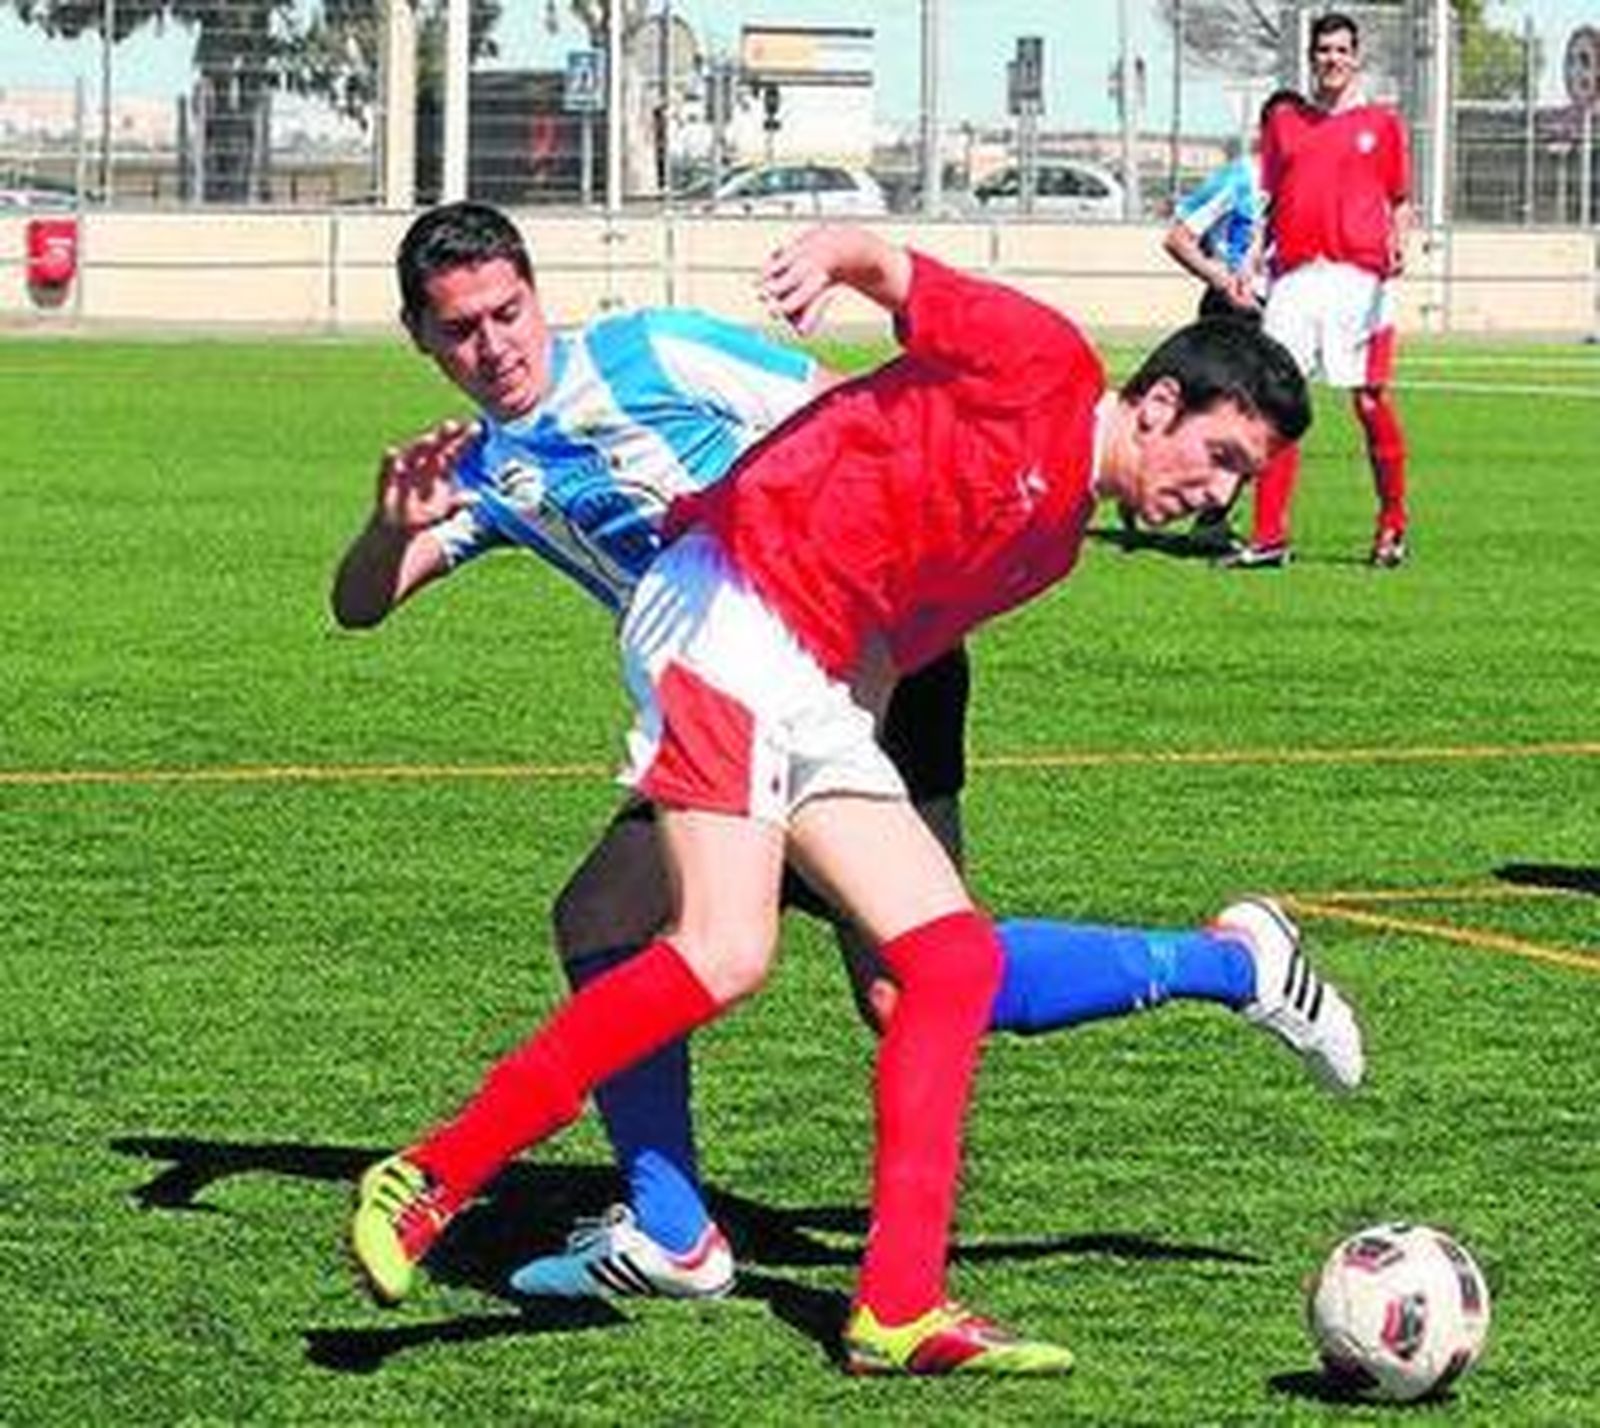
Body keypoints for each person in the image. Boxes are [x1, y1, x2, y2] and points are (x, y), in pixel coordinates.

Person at [338, 210, 1341, 1375]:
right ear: (1159, 404)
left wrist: (831, 770)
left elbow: (891, 633)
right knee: (723, 951)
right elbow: (896, 275)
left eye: (1240, 480)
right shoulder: (1048, 363)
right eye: (1220, 458)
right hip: (727, 606)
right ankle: (433, 1175)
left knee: (947, 965)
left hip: (815, 671)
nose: (1216, 496)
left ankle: (896, 1308)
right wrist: (832, 259)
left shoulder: (1053, 542)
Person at [1221, 11, 1414, 570]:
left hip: (1360, 277)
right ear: (1311, 58)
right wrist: (1251, 258)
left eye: (1341, 50)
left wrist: (1400, 243)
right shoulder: (1285, 122)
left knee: (1369, 400)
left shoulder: (1382, 124)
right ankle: (1268, 537)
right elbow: (1269, 199)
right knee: (1276, 403)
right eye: (1323, 50)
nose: (1333, 59)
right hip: (1296, 279)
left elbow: (1400, 200)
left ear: (1356, 57)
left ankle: (1392, 525)